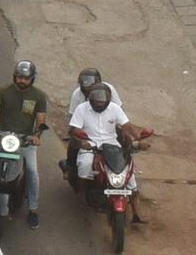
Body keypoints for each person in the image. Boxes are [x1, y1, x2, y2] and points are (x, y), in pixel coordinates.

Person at [0, 60, 47, 229]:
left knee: (32, 172)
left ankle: (33, 209)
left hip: (25, 139)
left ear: (32, 79)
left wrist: (36, 136)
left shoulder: (39, 96)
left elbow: (41, 120)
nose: (22, 80)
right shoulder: (3, 91)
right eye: (19, 77)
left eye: (26, 78)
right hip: (1, 134)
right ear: (15, 76)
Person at [68, 83, 151, 223]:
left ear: (108, 99)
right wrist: (83, 142)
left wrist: (139, 139)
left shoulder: (115, 108)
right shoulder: (82, 109)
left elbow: (127, 125)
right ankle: (82, 193)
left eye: (103, 99)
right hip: (91, 144)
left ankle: (136, 214)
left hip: (112, 145)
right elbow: (74, 130)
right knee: (84, 165)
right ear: (90, 98)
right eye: (97, 99)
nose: (100, 102)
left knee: (130, 176)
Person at [63, 68, 122, 180]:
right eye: (84, 83)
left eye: (91, 83)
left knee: (122, 142)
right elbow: (73, 115)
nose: (87, 86)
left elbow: (118, 108)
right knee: (73, 143)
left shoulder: (109, 90)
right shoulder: (77, 94)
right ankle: (70, 168)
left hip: (106, 122)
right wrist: (75, 131)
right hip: (86, 125)